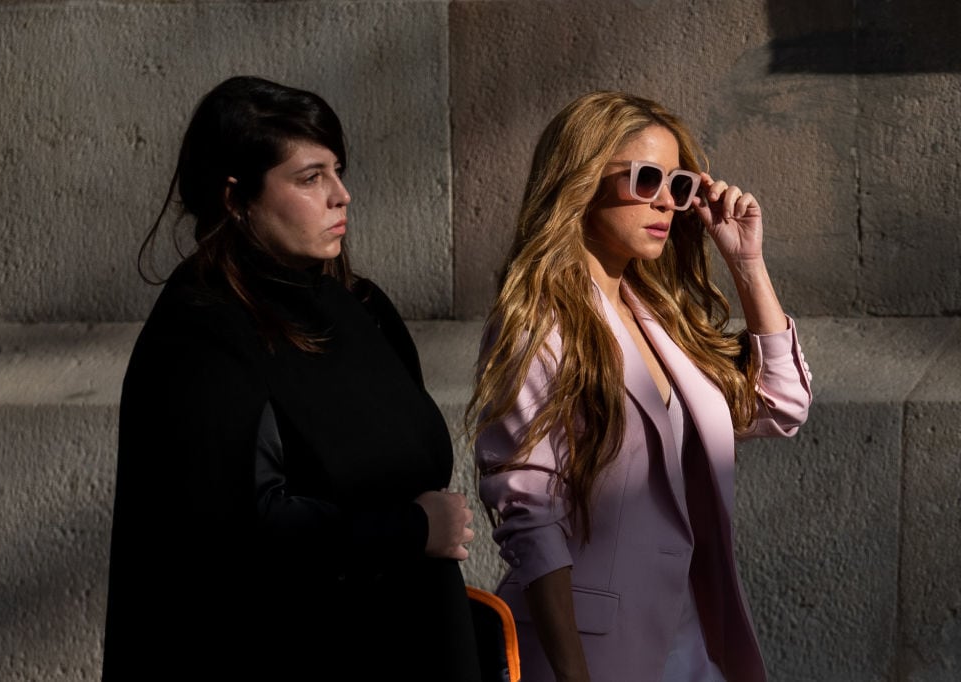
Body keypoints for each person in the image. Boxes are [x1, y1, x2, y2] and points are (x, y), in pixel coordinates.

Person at [102, 76, 482, 680]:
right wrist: (411, 529)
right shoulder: (201, 330)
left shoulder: (363, 309)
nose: (342, 195)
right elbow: (230, 534)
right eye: (310, 178)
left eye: (338, 170)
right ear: (234, 197)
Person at [468, 91, 813, 682]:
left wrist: (747, 264)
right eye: (646, 178)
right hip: (588, 651)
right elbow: (529, 510)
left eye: (679, 185)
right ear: (580, 180)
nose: (666, 202)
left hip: (691, 643)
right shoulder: (536, 320)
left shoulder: (658, 314)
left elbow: (779, 407)